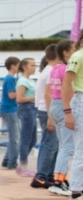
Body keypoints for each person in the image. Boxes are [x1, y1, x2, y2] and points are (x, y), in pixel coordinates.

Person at [49, 40, 75, 196]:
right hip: (63, 105)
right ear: (66, 53)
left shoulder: (55, 68)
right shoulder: (66, 69)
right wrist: (69, 111)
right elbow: (68, 89)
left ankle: (61, 178)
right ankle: (58, 181)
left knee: (63, 145)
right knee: (67, 147)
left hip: (55, 105)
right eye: (73, 49)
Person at [60, 37, 83, 200]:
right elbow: (66, 83)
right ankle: (75, 195)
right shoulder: (78, 56)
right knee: (81, 150)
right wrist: (67, 111)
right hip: (80, 101)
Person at [31, 46, 58, 190]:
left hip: (44, 109)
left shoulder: (48, 70)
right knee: (50, 144)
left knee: (51, 144)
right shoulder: (50, 71)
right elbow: (48, 95)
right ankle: (41, 175)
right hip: (46, 110)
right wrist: (50, 116)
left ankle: (47, 175)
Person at [15, 57, 37, 178]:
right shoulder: (23, 81)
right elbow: (19, 98)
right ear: (24, 67)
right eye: (32, 65)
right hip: (26, 109)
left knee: (32, 139)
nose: (34, 68)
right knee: (26, 138)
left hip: (32, 109)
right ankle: (23, 165)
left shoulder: (30, 80)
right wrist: (35, 98)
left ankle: (22, 162)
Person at [0, 57, 20, 170]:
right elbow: (11, 95)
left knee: (13, 136)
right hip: (10, 109)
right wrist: (22, 91)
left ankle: (7, 159)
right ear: (13, 66)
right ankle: (12, 161)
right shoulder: (10, 79)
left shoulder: (9, 78)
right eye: (18, 65)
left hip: (8, 109)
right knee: (14, 137)